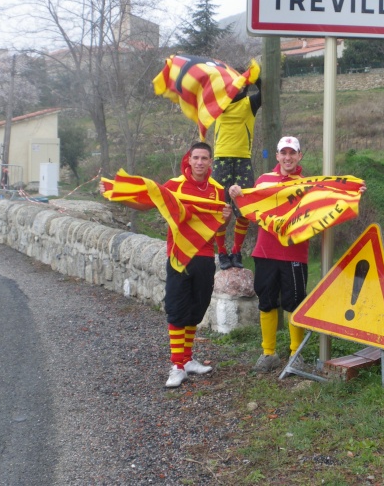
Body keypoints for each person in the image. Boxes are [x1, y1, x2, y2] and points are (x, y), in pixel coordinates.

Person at [101, 142, 231, 388]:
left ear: (211, 161)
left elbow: (219, 227)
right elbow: (147, 202)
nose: (200, 162)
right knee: (176, 308)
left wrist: (227, 219)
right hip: (178, 256)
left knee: (197, 308)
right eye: (196, 158)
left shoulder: (217, 190)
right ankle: (177, 366)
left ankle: (188, 359)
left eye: (205, 158)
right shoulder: (174, 186)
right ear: (189, 160)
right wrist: (116, 195)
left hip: (204, 256)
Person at [228, 135, 308, 373]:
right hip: (265, 252)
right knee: (266, 302)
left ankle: (296, 354)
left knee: (294, 303)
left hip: (295, 252)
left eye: (292, 153)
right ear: (277, 156)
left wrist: (352, 191)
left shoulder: (308, 184)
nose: (288, 157)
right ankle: (268, 353)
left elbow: (328, 201)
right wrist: (236, 194)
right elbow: (248, 203)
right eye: (283, 153)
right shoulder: (264, 181)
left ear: (299, 156)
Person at [212, 80, 262, 270]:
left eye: (241, 85)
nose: (236, 89)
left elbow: (267, 92)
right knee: (220, 209)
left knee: (244, 209)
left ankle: (236, 251)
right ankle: (222, 252)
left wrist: (255, 77)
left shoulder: (249, 103)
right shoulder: (219, 104)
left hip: (243, 161)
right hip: (221, 160)